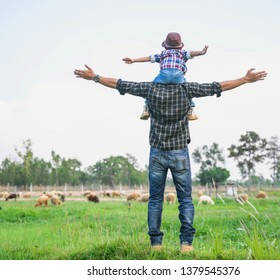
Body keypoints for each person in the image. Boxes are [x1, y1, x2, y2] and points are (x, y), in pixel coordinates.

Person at [74, 64, 267, 253]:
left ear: (161, 71)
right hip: (179, 153)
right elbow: (218, 87)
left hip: (157, 153)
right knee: (185, 200)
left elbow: (121, 84)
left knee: (155, 200)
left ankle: (156, 246)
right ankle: (186, 245)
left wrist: (95, 77)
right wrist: (244, 79)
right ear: (181, 71)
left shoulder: (149, 89)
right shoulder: (187, 89)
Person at [122, 32, 208, 121]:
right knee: (187, 90)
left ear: (165, 46)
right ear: (180, 46)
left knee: (151, 88)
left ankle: (147, 108)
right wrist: (201, 52)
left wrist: (134, 60)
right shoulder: (182, 53)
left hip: (164, 75)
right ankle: (191, 109)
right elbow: (193, 53)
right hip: (178, 76)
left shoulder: (163, 54)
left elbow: (148, 58)